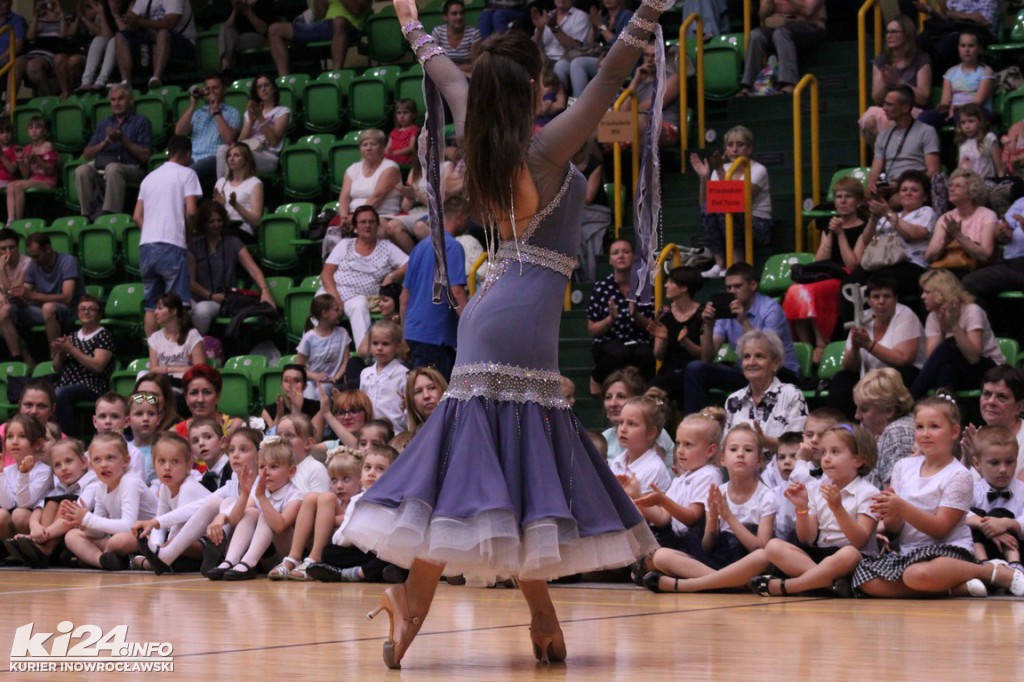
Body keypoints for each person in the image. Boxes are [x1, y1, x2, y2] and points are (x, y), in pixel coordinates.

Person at [345, 1, 665, 668]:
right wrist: (648, 12)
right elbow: (608, 79)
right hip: (522, 317)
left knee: (489, 473)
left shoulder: (477, 127)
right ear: (529, 87)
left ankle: (463, 615)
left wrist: (411, 25)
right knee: (508, 471)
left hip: (494, 310)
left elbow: (442, 69)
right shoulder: (546, 148)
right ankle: (515, 614)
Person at [853, 393, 1024, 598]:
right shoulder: (902, 467)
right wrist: (891, 512)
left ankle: (988, 571)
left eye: (934, 427)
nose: (925, 433)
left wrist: (902, 507)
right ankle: (954, 588)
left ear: (953, 431)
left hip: (947, 551)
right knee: (863, 577)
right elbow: (894, 527)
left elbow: (941, 529)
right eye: (920, 427)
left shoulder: (958, 474)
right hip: (910, 553)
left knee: (917, 574)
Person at [642, 423, 776, 592]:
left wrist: (730, 518)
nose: (740, 454)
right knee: (660, 556)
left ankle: (690, 585)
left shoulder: (766, 497)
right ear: (723, 459)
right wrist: (712, 520)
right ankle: (732, 583)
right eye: (733, 449)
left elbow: (760, 547)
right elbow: (708, 546)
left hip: (746, 560)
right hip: (717, 560)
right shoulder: (717, 492)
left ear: (759, 461)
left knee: (763, 557)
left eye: (748, 450)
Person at [683, 262, 799, 416]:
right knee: (696, 368)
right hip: (747, 371)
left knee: (762, 366)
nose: (732, 292)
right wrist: (708, 325)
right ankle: (695, 426)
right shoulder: (726, 312)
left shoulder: (770, 308)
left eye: (738, 286)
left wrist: (743, 321)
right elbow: (707, 357)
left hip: (780, 371)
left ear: (752, 285)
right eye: (729, 288)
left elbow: (767, 352)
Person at [782, 177, 868, 361]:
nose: (842, 201)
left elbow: (853, 265)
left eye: (848, 197)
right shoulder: (830, 225)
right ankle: (806, 344)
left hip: (847, 277)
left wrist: (840, 235)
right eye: (839, 196)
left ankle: (822, 343)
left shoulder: (865, 227)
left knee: (810, 292)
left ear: (859, 201)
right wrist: (830, 234)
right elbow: (819, 261)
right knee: (794, 291)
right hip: (826, 273)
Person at [204, 437, 303, 580]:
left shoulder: (295, 495)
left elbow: (280, 526)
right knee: (250, 512)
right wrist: (244, 493)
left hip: (283, 556)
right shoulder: (260, 489)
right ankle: (231, 560)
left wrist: (262, 498)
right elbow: (234, 520)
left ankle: (248, 563)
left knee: (265, 516)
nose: (266, 472)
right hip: (262, 556)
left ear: (291, 471)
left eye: (274, 467)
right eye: (262, 467)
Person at [829, 273, 924, 419]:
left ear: (895, 299)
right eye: (876, 297)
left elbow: (904, 359)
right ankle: (843, 428)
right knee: (842, 379)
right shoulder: (862, 318)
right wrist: (855, 347)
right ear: (868, 300)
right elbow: (849, 366)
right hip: (872, 376)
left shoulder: (905, 315)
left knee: (903, 375)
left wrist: (869, 344)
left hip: (899, 374)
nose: (881, 301)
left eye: (887, 296)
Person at [628, 411, 722, 559]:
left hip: (694, 545)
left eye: (688, 444)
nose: (680, 450)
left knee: (656, 558)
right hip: (674, 539)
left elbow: (692, 518)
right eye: (678, 443)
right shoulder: (681, 478)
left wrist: (663, 501)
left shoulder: (709, 474)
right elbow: (664, 518)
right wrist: (637, 497)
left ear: (710, 451)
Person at [135, 135, 202, 337]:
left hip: (146, 246)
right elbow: (191, 211)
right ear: (188, 154)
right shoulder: (187, 173)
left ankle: (153, 355)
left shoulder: (149, 178)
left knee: (151, 306)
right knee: (178, 304)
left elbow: (137, 216)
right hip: (171, 245)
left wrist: (152, 230)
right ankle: (178, 351)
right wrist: (188, 232)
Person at [59, 432, 158, 570]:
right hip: (120, 538)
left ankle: (92, 558)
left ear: (126, 461)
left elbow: (129, 526)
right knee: (71, 535)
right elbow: (99, 531)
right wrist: (84, 525)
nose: (103, 465)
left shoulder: (130, 482)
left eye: (110, 458)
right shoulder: (100, 486)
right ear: (91, 465)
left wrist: (88, 519)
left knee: (118, 541)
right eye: (97, 460)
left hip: (149, 537)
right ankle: (103, 561)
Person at [320, 205, 408, 355]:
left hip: (364, 296)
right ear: (355, 226)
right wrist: (336, 299)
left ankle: (365, 354)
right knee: (320, 305)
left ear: (377, 225)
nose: (367, 225)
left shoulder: (387, 247)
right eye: (363, 222)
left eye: (372, 222)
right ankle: (315, 354)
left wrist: (392, 276)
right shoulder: (344, 245)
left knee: (359, 305)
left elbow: (410, 263)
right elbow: (326, 273)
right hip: (334, 292)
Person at [268, 447, 363, 580]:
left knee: (326, 498)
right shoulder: (335, 501)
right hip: (327, 543)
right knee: (311, 497)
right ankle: (294, 557)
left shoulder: (361, 500)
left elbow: (357, 522)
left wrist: (327, 520)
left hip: (347, 550)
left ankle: (315, 558)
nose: (339, 485)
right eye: (334, 480)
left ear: (361, 479)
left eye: (346, 479)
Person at [690, 126, 773, 276]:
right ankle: (719, 263)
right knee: (709, 208)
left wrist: (722, 172)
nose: (734, 149)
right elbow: (705, 204)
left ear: (749, 148)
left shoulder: (757, 170)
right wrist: (704, 178)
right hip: (729, 222)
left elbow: (737, 201)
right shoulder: (720, 169)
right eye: (730, 145)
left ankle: (736, 263)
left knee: (725, 208)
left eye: (740, 145)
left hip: (758, 225)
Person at [400, 196, 468, 379]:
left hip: (415, 332)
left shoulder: (419, 247)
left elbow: (404, 295)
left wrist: (404, 331)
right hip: (436, 336)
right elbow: (456, 291)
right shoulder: (452, 247)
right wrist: (470, 323)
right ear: (460, 216)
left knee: (419, 394)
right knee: (435, 395)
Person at [911, 268, 1003, 398]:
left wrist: (954, 326)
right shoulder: (933, 317)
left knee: (948, 347)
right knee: (946, 369)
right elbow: (931, 360)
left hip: (990, 370)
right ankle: (945, 408)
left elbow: (974, 358)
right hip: (961, 371)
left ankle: (911, 399)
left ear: (941, 293)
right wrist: (942, 332)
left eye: (927, 292)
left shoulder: (972, 311)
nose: (922, 297)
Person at [187, 200, 274, 334]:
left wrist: (265, 290)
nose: (216, 225)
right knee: (181, 308)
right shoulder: (194, 245)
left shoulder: (233, 242)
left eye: (219, 220)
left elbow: (253, 269)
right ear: (203, 224)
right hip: (199, 296)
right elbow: (191, 282)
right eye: (211, 221)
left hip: (222, 299)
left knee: (202, 311)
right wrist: (210, 295)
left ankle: (198, 348)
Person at [129, 432, 211, 572]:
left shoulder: (188, 487)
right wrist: (155, 547)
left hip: (209, 542)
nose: (167, 467)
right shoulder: (165, 488)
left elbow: (180, 526)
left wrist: (162, 550)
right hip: (184, 543)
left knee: (174, 543)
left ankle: (148, 563)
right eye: (161, 461)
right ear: (154, 464)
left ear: (188, 466)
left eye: (175, 462)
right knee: (161, 544)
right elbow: (159, 524)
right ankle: (158, 562)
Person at [8, 437, 94, 568]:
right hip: (57, 534)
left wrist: (38, 535)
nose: (64, 468)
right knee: (52, 502)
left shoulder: (92, 482)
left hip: (83, 533)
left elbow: (75, 513)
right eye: (57, 465)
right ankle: (40, 550)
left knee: (66, 502)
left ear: (83, 462)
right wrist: (35, 526)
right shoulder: (60, 486)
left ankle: (42, 549)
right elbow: (39, 508)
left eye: (69, 461)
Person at [586, 238, 656, 393]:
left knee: (645, 354)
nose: (621, 256)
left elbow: (653, 328)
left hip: (639, 340)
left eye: (626, 251)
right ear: (610, 260)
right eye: (615, 253)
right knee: (619, 354)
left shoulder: (646, 288)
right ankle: (600, 381)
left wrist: (637, 315)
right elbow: (592, 330)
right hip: (608, 341)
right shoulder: (601, 288)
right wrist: (610, 319)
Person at [76, 83, 152, 221]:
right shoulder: (104, 123)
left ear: (130, 100)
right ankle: (86, 215)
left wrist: (122, 139)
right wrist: (106, 142)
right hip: (103, 165)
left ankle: (110, 215)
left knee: (113, 168)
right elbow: (87, 154)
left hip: (132, 167)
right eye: (113, 100)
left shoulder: (141, 121)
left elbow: (145, 155)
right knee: (81, 170)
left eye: (121, 99)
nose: (117, 103)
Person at [2, 233, 83, 361]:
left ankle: (55, 357)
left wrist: (32, 295)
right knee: (5, 310)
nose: (33, 260)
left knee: (48, 307)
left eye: (37, 256)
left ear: (48, 249)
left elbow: (67, 297)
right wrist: (20, 297)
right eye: (31, 256)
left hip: (68, 311)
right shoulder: (34, 265)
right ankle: (18, 357)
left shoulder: (67, 261)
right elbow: (27, 290)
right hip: (41, 311)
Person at [723, 329, 808, 451]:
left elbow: (797, 447)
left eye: (759, 356)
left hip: (780, 468)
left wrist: (764, 441)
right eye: (746, 357)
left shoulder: (792, 395)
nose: (751, 362)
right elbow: (725, 447)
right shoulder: (733, 400)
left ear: (775, 363)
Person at [859, 14, 932, 148]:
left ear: (906, 34)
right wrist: (887, 82)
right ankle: (882, 158)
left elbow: (923, 97)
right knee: (869, 122)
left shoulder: (921, 59)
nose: (889, 36)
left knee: (895, 121)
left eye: (894, 32)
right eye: (887, 32)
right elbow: (876, 97)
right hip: (888, 108)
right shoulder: (882, 60)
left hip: (911, 109)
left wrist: (899, 82)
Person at [50, 294, 115, 436]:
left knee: (61, 394)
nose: (86, 312)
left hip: (91, 385)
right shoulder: (72, 336)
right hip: (65, 383)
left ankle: (67, 438)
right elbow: (56, 367)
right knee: (38, 394)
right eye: (83, 309)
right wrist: (61, 351)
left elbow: (98, 366)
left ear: (99, 314)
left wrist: (71, 350)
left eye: (91, 309)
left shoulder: (103, 335)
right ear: (78, 313)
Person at [738, 0, 826, 97]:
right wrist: (768, 5)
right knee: (756, 35)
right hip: (781, 25)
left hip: (810, 25)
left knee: (781, 33)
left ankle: (788, 84)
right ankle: (747, 85)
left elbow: (808, 10)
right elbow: (762, 16)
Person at [866, 85, 941, 197]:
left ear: (905, 108)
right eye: (884, 103)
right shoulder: (883, 136)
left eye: (889, 104)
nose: (884, 108)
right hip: (889, 188)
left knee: (896, 201)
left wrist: (902, 185)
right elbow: (874, 171)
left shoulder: (926, 131)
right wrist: (871, 188)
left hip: (913, 189)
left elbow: (933, 171)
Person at [965, 425, 1024, 567]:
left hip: (1019, 549)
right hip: (981, 549)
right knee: (973, 516)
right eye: (995, 463)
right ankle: (983, 564)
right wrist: (985, 525)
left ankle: (1015, 566)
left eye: (1009, 462)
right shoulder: (973, 490)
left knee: (1000, 514)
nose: (1003, 469)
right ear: (977, 463)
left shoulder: (1022, 490)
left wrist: (1007, 524)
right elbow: (958, 513)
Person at [267, 0, 372, 76]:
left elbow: (357, 9)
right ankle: (284, 79)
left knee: (339, 21)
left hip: (350, 27)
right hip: (325, 25)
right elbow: (320, 14)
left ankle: (336, 74)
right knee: (274, 29)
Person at [174, 74, 241, 192]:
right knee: (169, 167)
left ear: (224, 89)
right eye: (208, 89)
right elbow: (179, 133)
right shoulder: (198, 113)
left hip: (214, 158)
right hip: (192, 158)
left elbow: (229, 139)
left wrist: (216, 111)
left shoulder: (233, 112)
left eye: (215, 88)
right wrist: (193, 104)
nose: (211, 92)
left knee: (188, 173)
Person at [918, 27, 994, 131]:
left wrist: (958, 108)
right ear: (958, 48)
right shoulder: (951, 72)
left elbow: (978, 102)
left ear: (979, 48)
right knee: (925, 117)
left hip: (977, 112)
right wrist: (943, 106)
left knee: (960, 117)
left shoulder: (985, 71)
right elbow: (946, 100)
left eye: (971, 46)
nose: (966, 50)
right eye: (963, 46)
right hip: (953, 111)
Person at [555, 0, 632, 99]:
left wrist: (601, 26)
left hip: (618, 62)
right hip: (598, 57)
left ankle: (577, 104)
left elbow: (620, 46)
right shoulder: (604, 17)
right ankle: (559, 101)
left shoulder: (628, 16)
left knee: (578, 63)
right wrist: (593, 26)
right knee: (561, 65)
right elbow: (588, 46)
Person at [924, 169, 997, 274]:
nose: (951, 189)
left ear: (972, 193)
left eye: (958, 186)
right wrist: (945, 242)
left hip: (976, 270)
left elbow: (985, 255)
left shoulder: (987, 215)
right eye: (951, 186)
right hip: (948, 268)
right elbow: (928, 257)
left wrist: (958, 235)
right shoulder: (946, 218)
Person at [216, 74, 289, 178]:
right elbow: (240, 142)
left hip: (268, 156)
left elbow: (273, 142)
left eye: (266, 85)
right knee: (223, 149)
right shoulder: (249, 113)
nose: (263, 89)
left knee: (238, 155)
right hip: (247, 151)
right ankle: (220, 187)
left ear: (274, 89)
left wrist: (260, 117)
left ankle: (228, 188)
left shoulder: (282, 111)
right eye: (259, 87)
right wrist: (251, 121)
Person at [651, 266, 704, 406]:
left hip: (693, 371)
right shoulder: (664, 312)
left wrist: (685, 342)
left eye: (671, 282)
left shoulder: (702, 313)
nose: (665, 285)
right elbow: (658, 355)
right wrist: (662, 338)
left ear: (684, 288)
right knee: (655, 391)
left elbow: (703, 354)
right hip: (668, 370)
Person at [112, 0, 196, 89]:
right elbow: (131, 23)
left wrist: (138, 22)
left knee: (163, 33)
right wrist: (127, 20)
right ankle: (125, 83)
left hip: (183, 44)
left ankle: (156, 78)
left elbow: (168, 24)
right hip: (154, 41)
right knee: (121, 36)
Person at [961, 365, 1024, 479]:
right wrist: (966, 462)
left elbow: (1019, 494)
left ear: (1019, 407)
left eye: (1001, 397)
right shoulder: (977, 437)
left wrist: (982, 471)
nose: (991, 402)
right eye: (987, 394)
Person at [336, 128, 403, 231]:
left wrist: (356, 218)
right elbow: (344, 197)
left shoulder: (390, 167)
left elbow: (377, 197)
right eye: (364, 145)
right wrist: (343, 217)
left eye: (373, 144)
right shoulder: (353, 168)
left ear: (382, 148)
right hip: (353, 215)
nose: (368, 148)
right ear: (360, 149)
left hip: (382, 215)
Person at [963, 198, 1024, 308]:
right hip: (1013, 265)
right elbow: (1000, 233)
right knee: (970, 283)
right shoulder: (1020, 203)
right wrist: (1002, 232)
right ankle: (982, 324)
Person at [0, 414, 53, 542]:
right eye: (10, 436)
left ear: (37, 444)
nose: (14, 441)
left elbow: (24, 503)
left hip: (36, 520)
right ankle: (8, 551)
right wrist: (0, 474)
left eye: (22, 436)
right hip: (14, 515)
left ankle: (31, 549)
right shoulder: (7, 471)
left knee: (20, 514)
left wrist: (23, 474)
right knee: (1, 515)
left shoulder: (44, 471)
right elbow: (7, 505)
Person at [917, 0, 999, 77]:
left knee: (945, 46)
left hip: (978, 29)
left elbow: (986, 20)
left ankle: (945, 82)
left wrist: (952, 14)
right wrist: (931, 11)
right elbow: (947, 16)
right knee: (920, 42)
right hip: (954, 27)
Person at [610, 393, 672, 495]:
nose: (622, 429)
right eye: (621, 422)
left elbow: (645, 508)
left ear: (651, 433)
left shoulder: (654, 469)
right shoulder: (618, 461)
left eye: (631, 424)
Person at [359, 319, 409, 435]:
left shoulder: (404, 374)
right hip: (369, 432)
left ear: (397, 346)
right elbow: (361, 403)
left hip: (396, 431)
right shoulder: (365, 374)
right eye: (375, 343)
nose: (379, 348)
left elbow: (407, 407)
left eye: (385, 344)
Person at [296, 294, 351, 400]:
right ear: (324, 313)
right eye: (336, 310)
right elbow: (299, 367)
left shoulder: (342, 333)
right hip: (311, 381)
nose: (340, 312)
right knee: (309, 393)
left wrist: (336, 377)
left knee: (322, 391)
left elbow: (346, 361)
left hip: (332, 382)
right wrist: (314, 376)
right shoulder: (309, 337)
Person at [6, 116, 58, 223]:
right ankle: (10, 219)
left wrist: (36, 159)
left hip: (47, 181)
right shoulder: (27, 149)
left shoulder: (48, 146)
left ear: (45, 131)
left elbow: (50, 171)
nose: (34, 131)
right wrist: (20, 160)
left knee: (19, 186)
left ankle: (18, 221)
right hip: (33, 179)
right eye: (31, 128)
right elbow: (26, 175)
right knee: (11, 185)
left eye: (37, 128)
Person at [172, 364, 244, 438]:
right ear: (186, 398)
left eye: (207, 392)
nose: (200, 399)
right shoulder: (176, 433)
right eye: (194, 393)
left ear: (218, 396)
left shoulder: (235, 427)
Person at [147, 293, 205, 382]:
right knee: (141, 375)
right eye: (155, 308)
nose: (155, 312)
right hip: (162, 383)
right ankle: (142, 397)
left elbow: (200, 368)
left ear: (173, 311)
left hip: (185, 381)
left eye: (160, 308)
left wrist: (167, 369)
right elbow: (154, 370)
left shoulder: (192, 335)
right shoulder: (155, 338)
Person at [212, 143, 263, 244]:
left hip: (242, 229)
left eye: (236, 155)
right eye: (229, 155)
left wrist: (236, 205)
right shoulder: (221, 182)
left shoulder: (254, 183)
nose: (231, 158)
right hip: (222, 226)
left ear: (246, 159)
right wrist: (220, 206)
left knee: (224, 239)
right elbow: (214, 215)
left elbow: (256, 221)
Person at [218, 0, 275, 73]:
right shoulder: (234, 4)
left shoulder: (264, 3)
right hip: (236, 38)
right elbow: (227, 28)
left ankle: (225, 66)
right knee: (224, 27)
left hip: (257, 37)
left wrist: (248, 11)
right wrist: (235, 10)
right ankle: (226, 64)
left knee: (230, 44)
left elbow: (263, 30)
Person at [531, 0, 590, 68]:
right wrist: (539, 30)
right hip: (544, 61)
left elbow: (576, 48)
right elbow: (532, 47)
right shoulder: (547, 16)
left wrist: (554, 27)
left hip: (565, 61)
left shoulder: (581, 16)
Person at [0, 229, 29, 363]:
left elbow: (13, 292)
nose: (8, 252)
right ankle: (24, 354)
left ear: (18, 247)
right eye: (3, 248)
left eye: (12, 247)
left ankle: (17, 358)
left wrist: (1, 270)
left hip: (26, 305)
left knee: (4, 311)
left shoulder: (27, 263)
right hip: (6, 306)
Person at [954, 102, 1002, 178]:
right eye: (963, 122)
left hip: (986, 183)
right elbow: (960, 168)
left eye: (971, 121)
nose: (966, 126)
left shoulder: (989, 138)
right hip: (967, 184)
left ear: (980, 121)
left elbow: (1000, 169)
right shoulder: (962, 142)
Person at [404, 367, 447, 436]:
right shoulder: (410, 442)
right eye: (418, 392)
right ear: (411, 402)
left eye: (432, 388)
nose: (426, 396)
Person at [384, 99, 419, 167]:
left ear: (413, 115)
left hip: (405, 157)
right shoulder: (394, 131)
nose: (401, 116)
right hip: (392, 156)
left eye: (405, 112)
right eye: (399, 113)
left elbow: (411, 147)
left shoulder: (414, 130)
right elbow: (388, 147)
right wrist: (384, 151)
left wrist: (395, 153)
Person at [0, 0, 27, 74]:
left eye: (3, 1)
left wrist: (0, 59)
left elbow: (18, 46)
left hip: (6, 60)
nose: (0, 4)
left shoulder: (17, 21)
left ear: (10, 3)